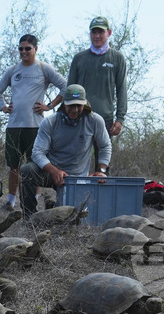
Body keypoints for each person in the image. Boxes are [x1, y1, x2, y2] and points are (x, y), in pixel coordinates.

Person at [0, 35, 68, 209]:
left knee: (34, 166)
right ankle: (11, 202)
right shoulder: (13, 70)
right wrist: (3, 106)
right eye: (21, 49)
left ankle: (33, 200)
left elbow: (65, 86)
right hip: (14, 126)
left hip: (35, 126)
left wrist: (49, 106)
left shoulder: (43, 68)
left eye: (27, 48)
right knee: (14, 166)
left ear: (36, 49)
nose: (24, 52)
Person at [19, 85, 111, 216]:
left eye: (79, 105)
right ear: (64, 104)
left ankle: (52, 204)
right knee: (27, 170)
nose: (75, 110)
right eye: (71, 105)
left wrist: (101, 170)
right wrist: (54, 170)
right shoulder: (50, 122)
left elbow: (105, 146)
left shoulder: (95, 120)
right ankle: (29, 217)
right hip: (52, 173)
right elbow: (37, 152)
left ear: (84, 104)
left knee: (72, 217)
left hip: (78, 178)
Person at [67, 16, 127, 138]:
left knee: (104, 155)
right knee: (77, 156)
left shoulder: (117, 58)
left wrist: (120, 119)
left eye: (101, 32)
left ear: (108, 33)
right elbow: (70, 88)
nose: (97, 36)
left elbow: (122, 89)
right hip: (79, 116)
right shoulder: (79, 58)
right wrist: (66, 113)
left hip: (106, 119)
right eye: (94, 32)